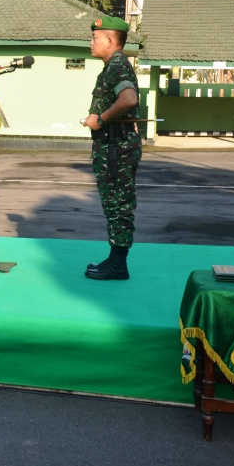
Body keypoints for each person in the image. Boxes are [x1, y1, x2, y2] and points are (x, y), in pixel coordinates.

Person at [84, 16, 141, 281]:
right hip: (111, 148)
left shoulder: (118, 65)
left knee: (119, 205)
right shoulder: (112, 66)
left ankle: (119, 264)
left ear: (109, 40)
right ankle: (115, 259)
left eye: (95, 37)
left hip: (117, 149)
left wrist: (101, 119)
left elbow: (129, 99)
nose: (91, 42)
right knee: (113, 204)